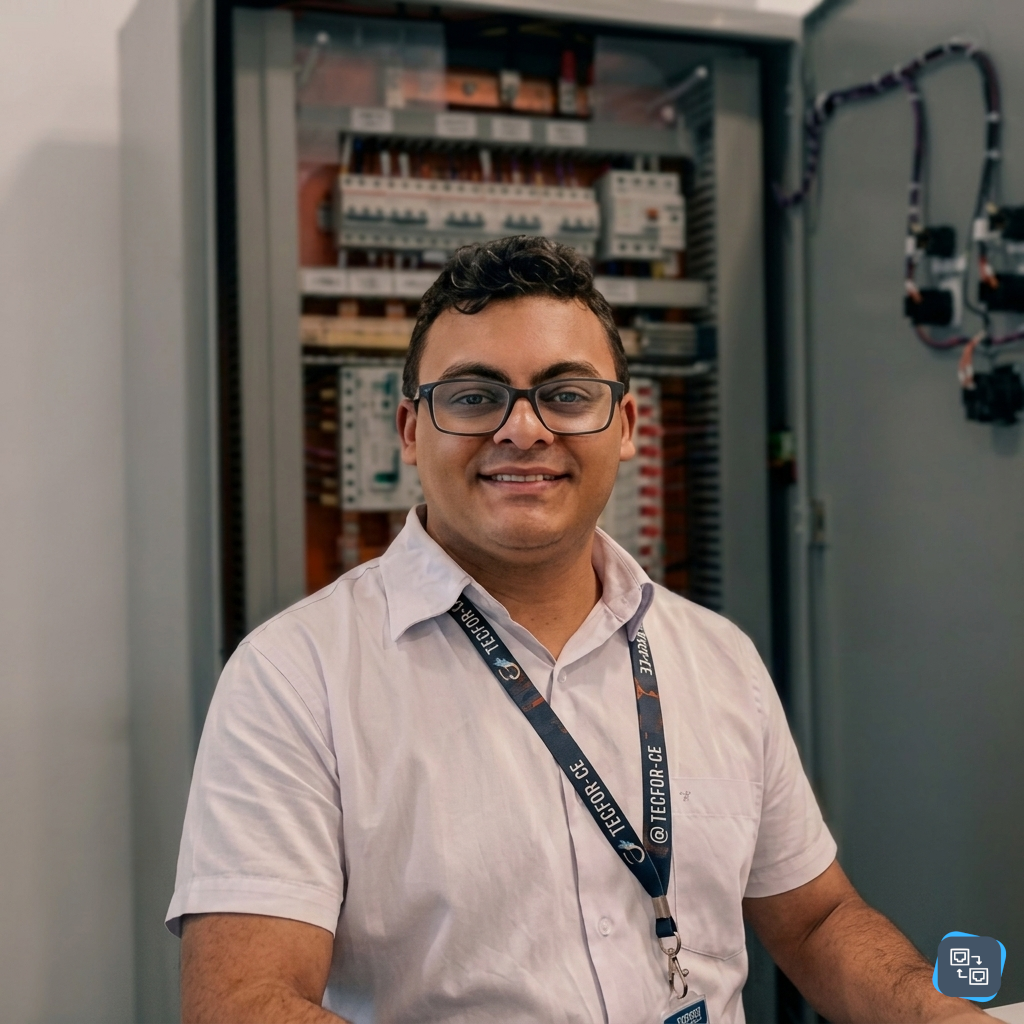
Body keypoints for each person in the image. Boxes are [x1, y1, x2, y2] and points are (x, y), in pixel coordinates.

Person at [170, 236, 991, 1024]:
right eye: (473, 396)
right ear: (411, 431)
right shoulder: (295, 677)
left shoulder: (716, 658)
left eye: (566, 395)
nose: (523, 429)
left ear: (626, 424)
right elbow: (241, 1003)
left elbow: (815, 921)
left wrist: (933, 1010)